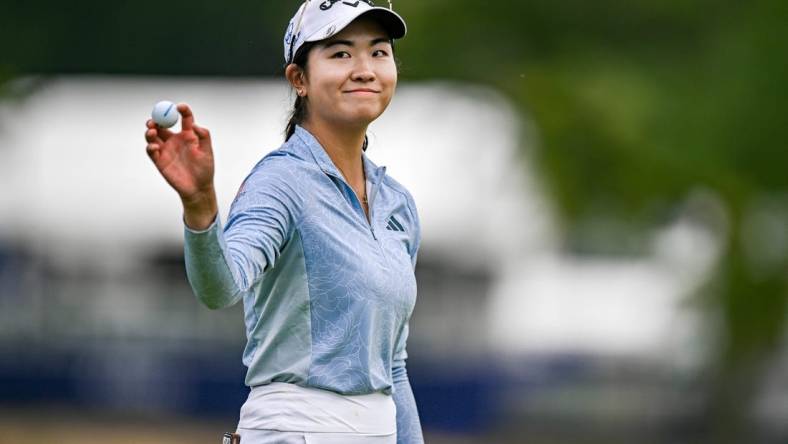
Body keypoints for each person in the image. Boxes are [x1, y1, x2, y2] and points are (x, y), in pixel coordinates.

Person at [143, 1, 424, 443]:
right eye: (340, 53)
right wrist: (200, 205)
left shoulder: (397, 204)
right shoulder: (279, 181)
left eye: (379, 52)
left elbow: (393, 365)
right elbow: (221, 287)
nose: (365, 69)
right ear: (299, 80)